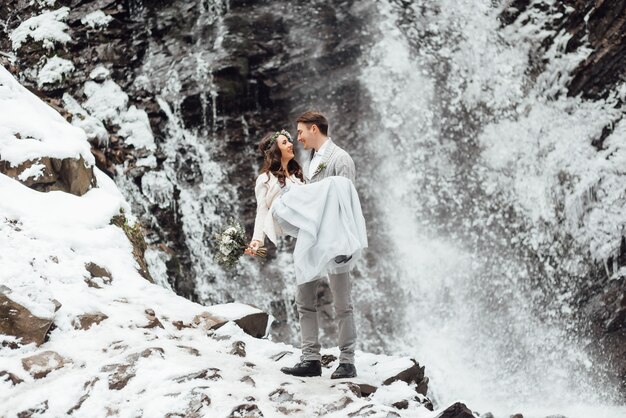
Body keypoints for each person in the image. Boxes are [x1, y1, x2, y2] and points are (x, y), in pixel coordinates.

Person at [248, 111, 367, 380]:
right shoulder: (304, 165)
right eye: (288, 139)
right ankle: (310, 358)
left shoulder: (339, 158)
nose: (296, 138)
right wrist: (257, 239)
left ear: (314, 129)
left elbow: (347, 201)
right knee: (304, 301)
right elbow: (264, 210)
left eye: (299, 133)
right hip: (309, 240)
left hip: (335, 240)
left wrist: (346, 243)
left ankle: (347, 361)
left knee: (342, 303)